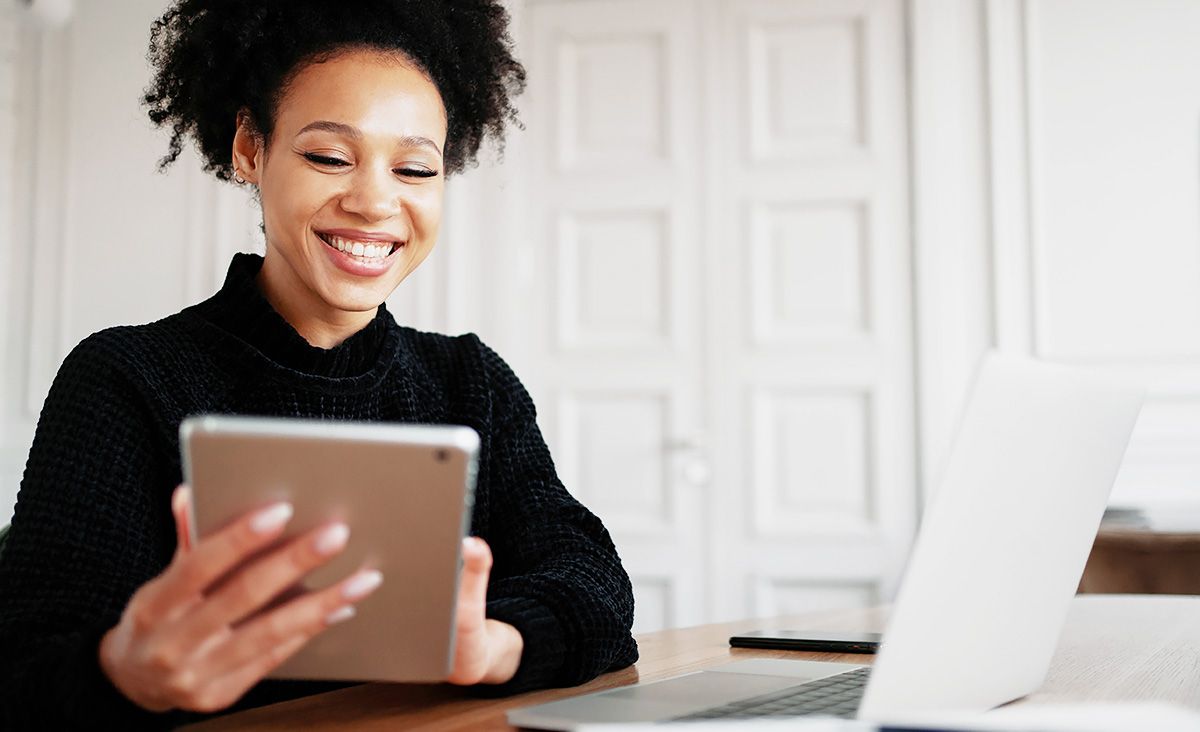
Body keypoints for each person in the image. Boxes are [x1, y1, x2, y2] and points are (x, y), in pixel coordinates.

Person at [0, 1, 638, 727]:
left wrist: (491, 647)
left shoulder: (471, 382)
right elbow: (23, 670)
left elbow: (595, 588)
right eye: (329, 156)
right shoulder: (125, 375)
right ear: (249, 148)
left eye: (415, 168)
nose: (373, 201)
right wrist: (124, 670)